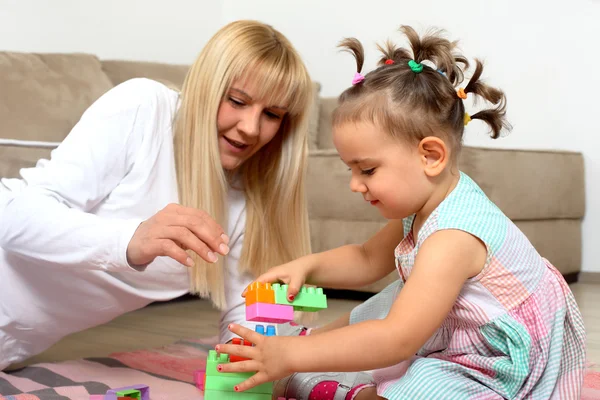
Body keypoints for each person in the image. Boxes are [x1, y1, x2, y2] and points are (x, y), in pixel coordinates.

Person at [216, 25, 587, 400]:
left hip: (500, 359)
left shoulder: (453, 237)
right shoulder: (429, 200)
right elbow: (366, 259)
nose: (355, 185)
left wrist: (292, 357)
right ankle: (311, 352)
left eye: (368, 170)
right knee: (387, 303)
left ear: (430, 156)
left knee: (414, 374)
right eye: (351, 170)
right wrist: (308, 267)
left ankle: (339, 388)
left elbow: (397, 339)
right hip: (461, 327)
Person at [0, 19, 314, 370]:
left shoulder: (247, 197)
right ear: (208, 85)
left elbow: (246, 309)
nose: (251, 128)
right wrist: (130, 240)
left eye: (271, 114)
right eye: (237, 101)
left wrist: (252, 360)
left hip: (13, 349)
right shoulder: (145, 108)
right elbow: (13, 220)